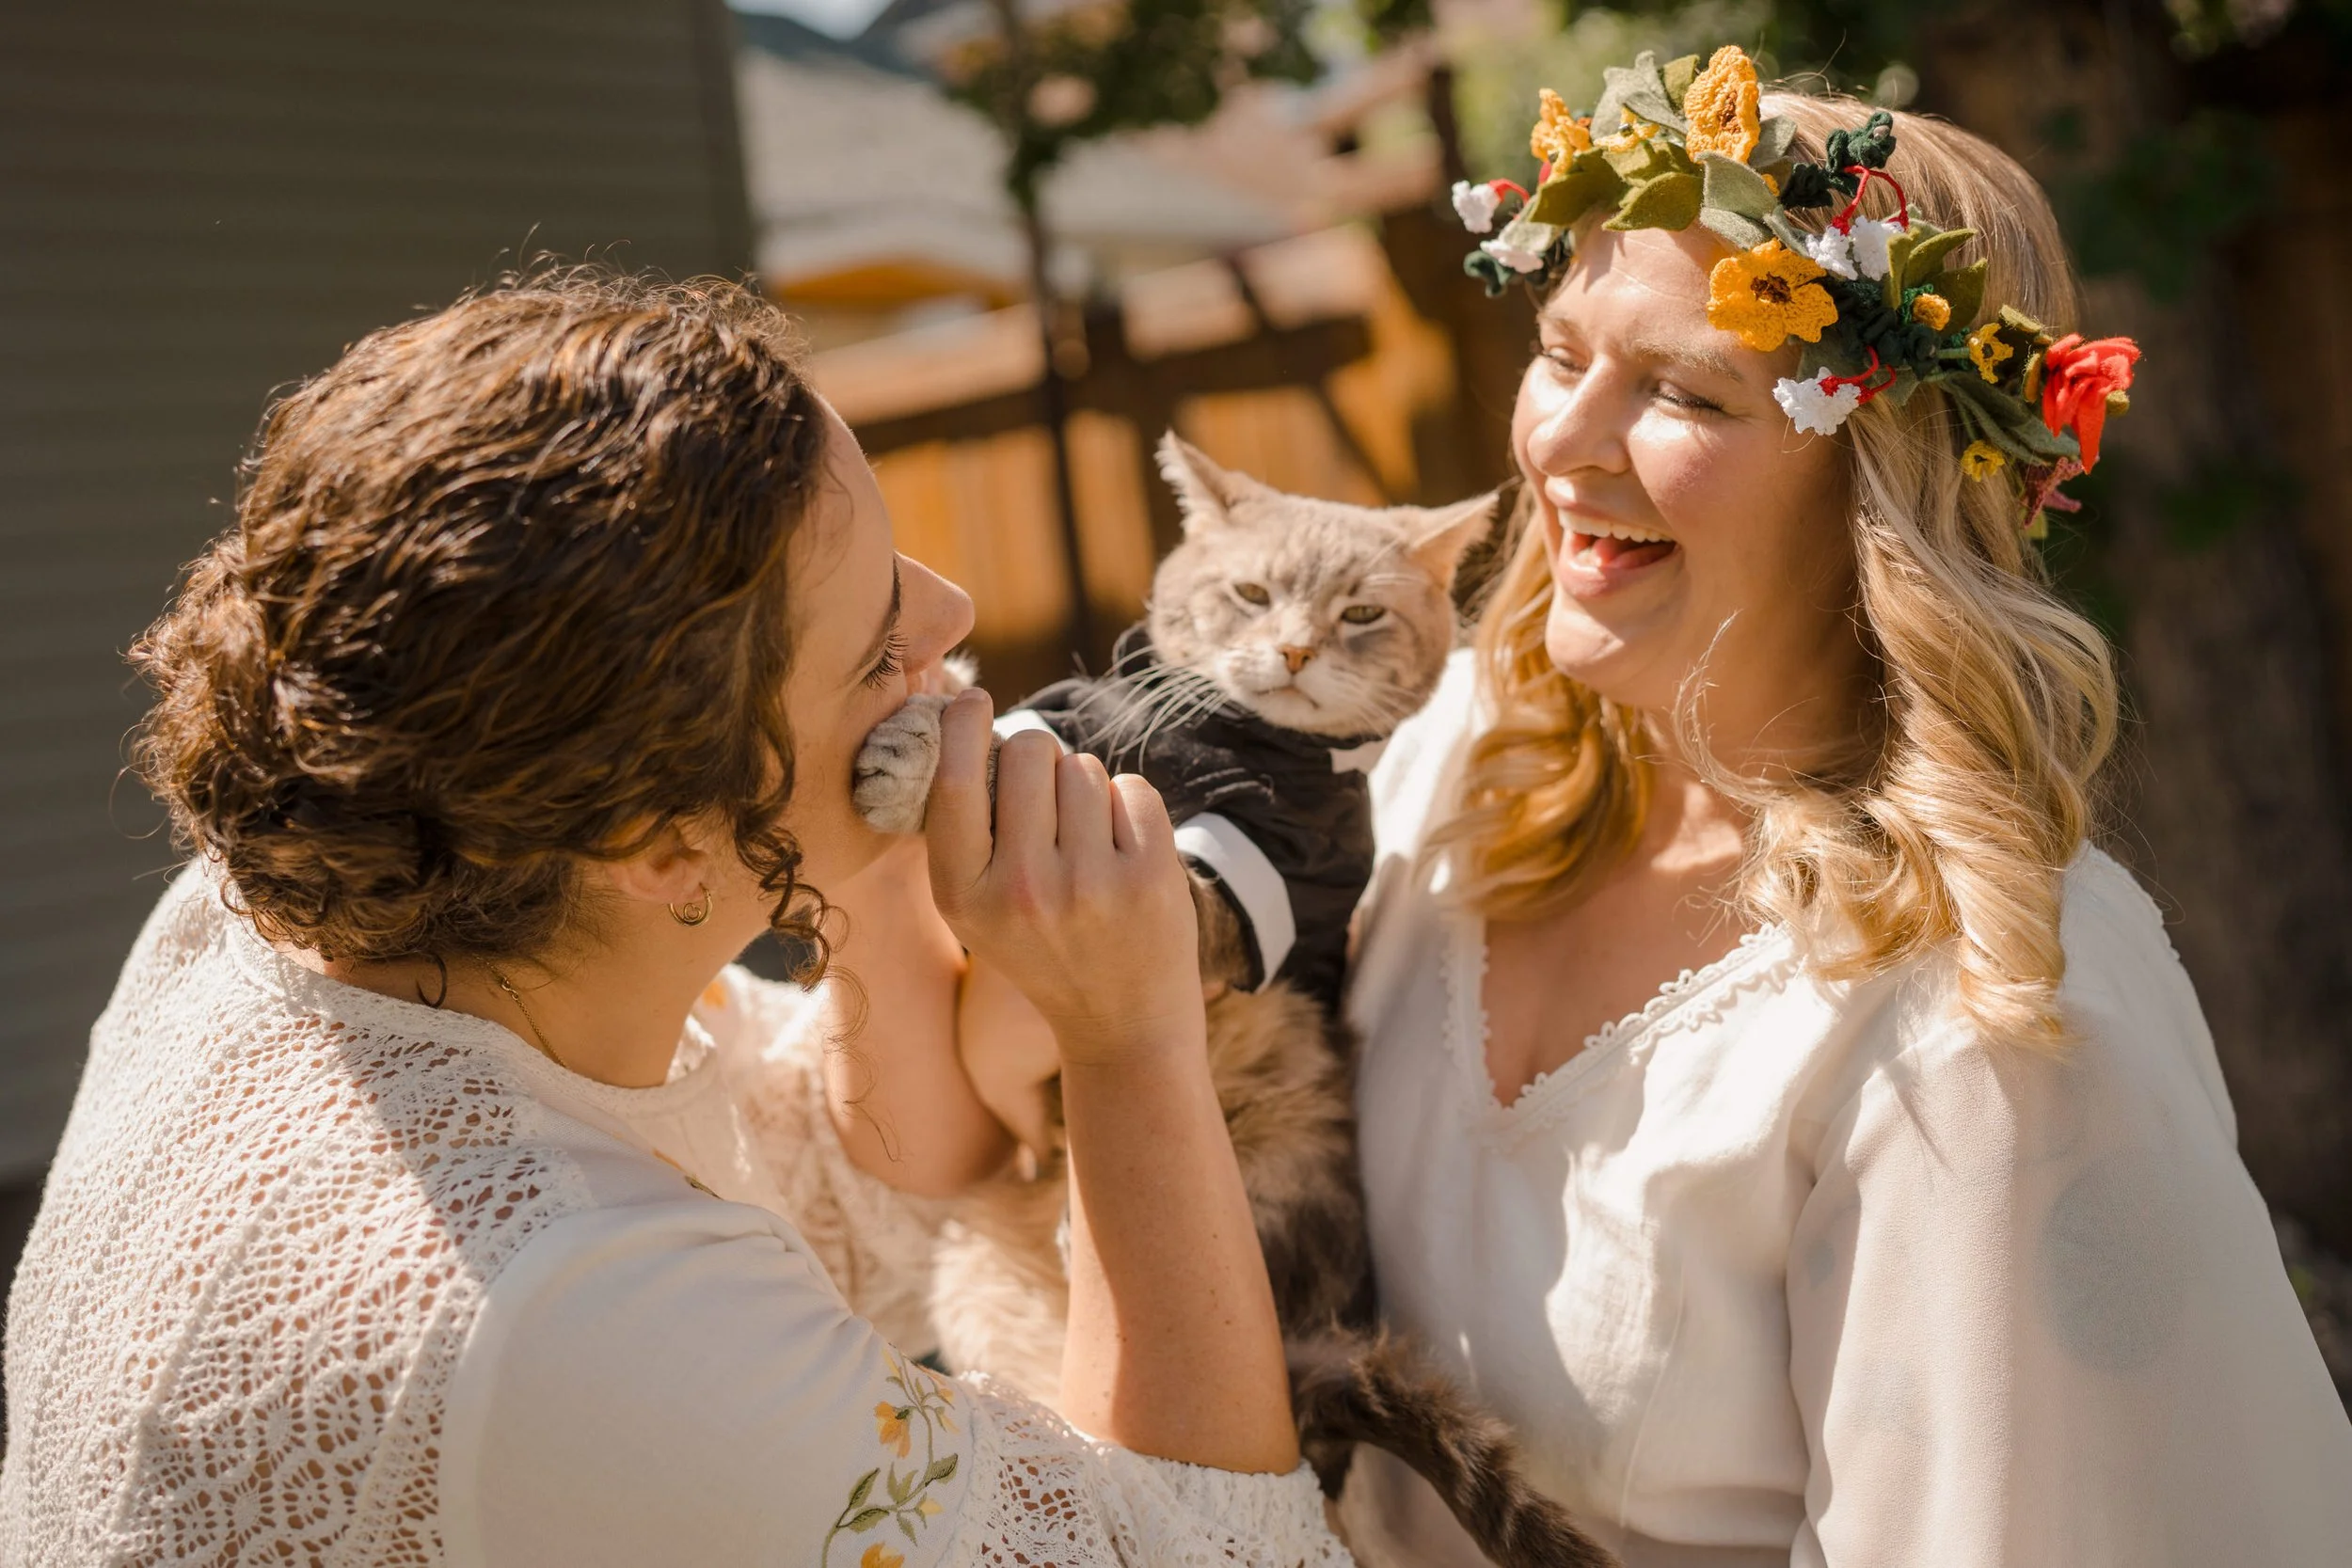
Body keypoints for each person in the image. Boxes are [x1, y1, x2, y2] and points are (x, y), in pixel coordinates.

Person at [0, 272, 1350, 1568]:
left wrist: (878, 886)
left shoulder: (277, 912)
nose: (956, 613)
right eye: (881, 643)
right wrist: (1130, 1040)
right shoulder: (569, 1310)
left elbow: (861, 1170)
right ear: (658, 844)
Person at [1334, 84, 2352, 1566]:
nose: (1564, 441)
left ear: (1882, 482)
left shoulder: (1983, 1030)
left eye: (1684, 394)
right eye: (1559, 353)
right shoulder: (1458, 778)